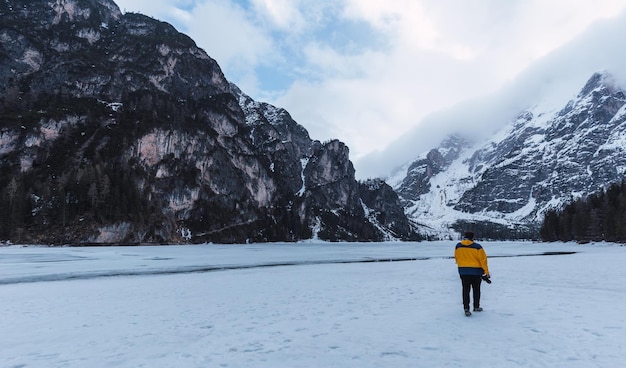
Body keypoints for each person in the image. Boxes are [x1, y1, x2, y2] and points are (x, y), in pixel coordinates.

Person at [454, 231, 490, 316]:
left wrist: (461, 265)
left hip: (463, 271)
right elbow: (483, 260)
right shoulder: (477, 247)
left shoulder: (458, 246)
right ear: (473, 237)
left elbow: (456, 257)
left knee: (465, 290)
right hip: (476, 272)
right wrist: (486, 272)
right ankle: (476, 307)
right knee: (476, 290)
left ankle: (466, 308)